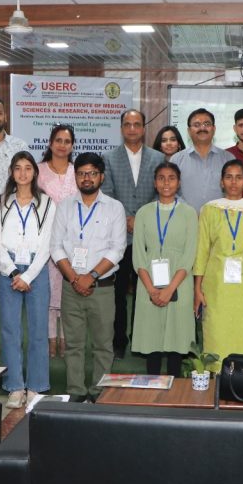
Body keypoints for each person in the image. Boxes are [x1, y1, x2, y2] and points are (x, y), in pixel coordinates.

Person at [50, 152, 127, 402]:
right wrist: (75, 278)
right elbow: (55, 247)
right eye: (82, 173)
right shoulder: (64, 206)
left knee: (103, 345)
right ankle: (76, 391)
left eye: (92, 173)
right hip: (71, 286)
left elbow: (117, 249)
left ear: (101, 176)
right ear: (75, 177)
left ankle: (99, 392)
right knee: (73, 344)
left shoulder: (114, 207)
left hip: (102, 287)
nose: (87, 178)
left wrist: (91, 276)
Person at [194, 160, 243, 370]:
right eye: (229, 177)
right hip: (216, 287)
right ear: (221, 181)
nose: (233, 182)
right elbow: (202, 251)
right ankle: (217, 380)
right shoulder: (209, 210)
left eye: (238, 177)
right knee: (216, 334)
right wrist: (197, 288)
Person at [101, 110, 162, 358]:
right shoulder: (108, 158)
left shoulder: (158, 157)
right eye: (128, 124)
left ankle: (141, 340)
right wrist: (127, 217)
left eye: (137, 124)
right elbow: (107, 193)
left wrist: (141, 220)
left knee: (144, 291)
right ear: (121, 128)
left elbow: (162, 192)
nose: (132, 129)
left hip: (148, 237)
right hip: (119, 237)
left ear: (144, 128)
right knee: (117, 293)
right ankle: (119, 342)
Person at [0, 152, 53, 409]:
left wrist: (28, 275)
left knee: (38, 330)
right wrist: (12, 272)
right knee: (10, 330)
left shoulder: (47, 203)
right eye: (17, 168)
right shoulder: (1, 202)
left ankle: (36, 386)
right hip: (7, 268)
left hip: (36, 269)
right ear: (11, 172)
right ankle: (15, 386)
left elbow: (48, 243)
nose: (22, 173)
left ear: (35, 172)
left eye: (28, 168)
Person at [131, 162, 198, 376]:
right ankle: (152, 390)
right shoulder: (144, 212)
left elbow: (189, 255)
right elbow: (138, 255)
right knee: (151, 339)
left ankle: (175, 390)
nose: (166, 182)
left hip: (180, 282)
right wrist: (152, 289)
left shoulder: (189, 213)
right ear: (155, 183)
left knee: (176, 341)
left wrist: (170, 289)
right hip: (148, 281)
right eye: (161, 178)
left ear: (179, 183)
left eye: (171, 178)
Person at [38, 124, 77, 358]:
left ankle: (65, 339)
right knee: (47, 293)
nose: (62, 145)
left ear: (72, 146)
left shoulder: (77, 172)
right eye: (58, 140)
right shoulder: (39, 171)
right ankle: (50, 340)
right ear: (51, 143)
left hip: (72, 242)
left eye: (67, 141)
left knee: (67, 293)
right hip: (45, 240)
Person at [170, 108, 232, 211]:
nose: (202, 128)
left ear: (214, 129)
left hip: (221, 218)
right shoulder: (176, 160)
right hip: (185, 217)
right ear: (189, 131)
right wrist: (188, 212)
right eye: (197, 125)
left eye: (207, 124)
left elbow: (234, 192)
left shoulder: (228, 159)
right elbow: (170, 191)